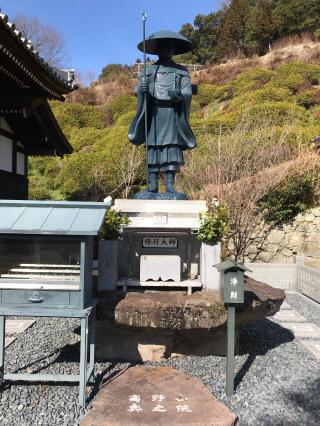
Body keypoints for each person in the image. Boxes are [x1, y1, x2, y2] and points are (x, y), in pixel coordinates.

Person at [128, 31, 196, 197]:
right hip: (153, 114)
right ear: (157, 50)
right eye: (163, 47)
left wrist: (180, 95)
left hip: (172, 114)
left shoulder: (181, 71)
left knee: (171, 147)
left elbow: (188, 91)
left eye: (170, 47)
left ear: (174, 50)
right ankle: (152, 185)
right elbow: (138, 90)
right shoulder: (148, 71)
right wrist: (143, 90)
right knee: (153, 147)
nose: (167, 50)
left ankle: (170, 186)